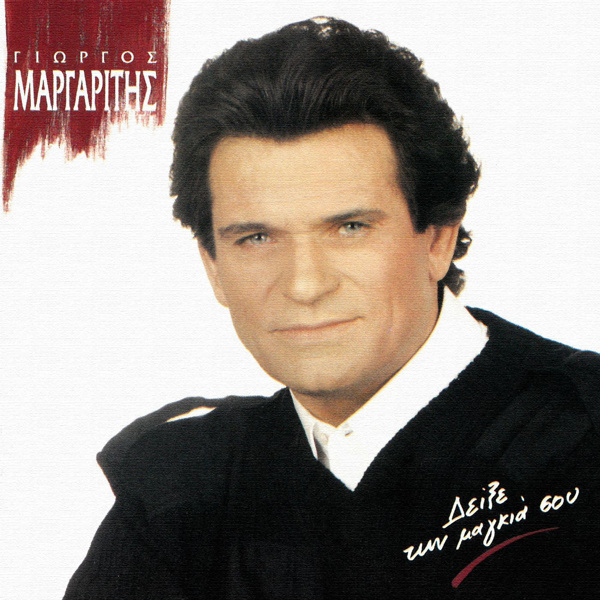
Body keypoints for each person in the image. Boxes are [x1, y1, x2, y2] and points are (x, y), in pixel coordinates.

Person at [63, 17, 600, 599]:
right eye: (256, 238)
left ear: (438, 238)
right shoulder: (179, 491)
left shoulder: (586, 433)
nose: (304, 285)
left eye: (349, 228)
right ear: (213, 265)